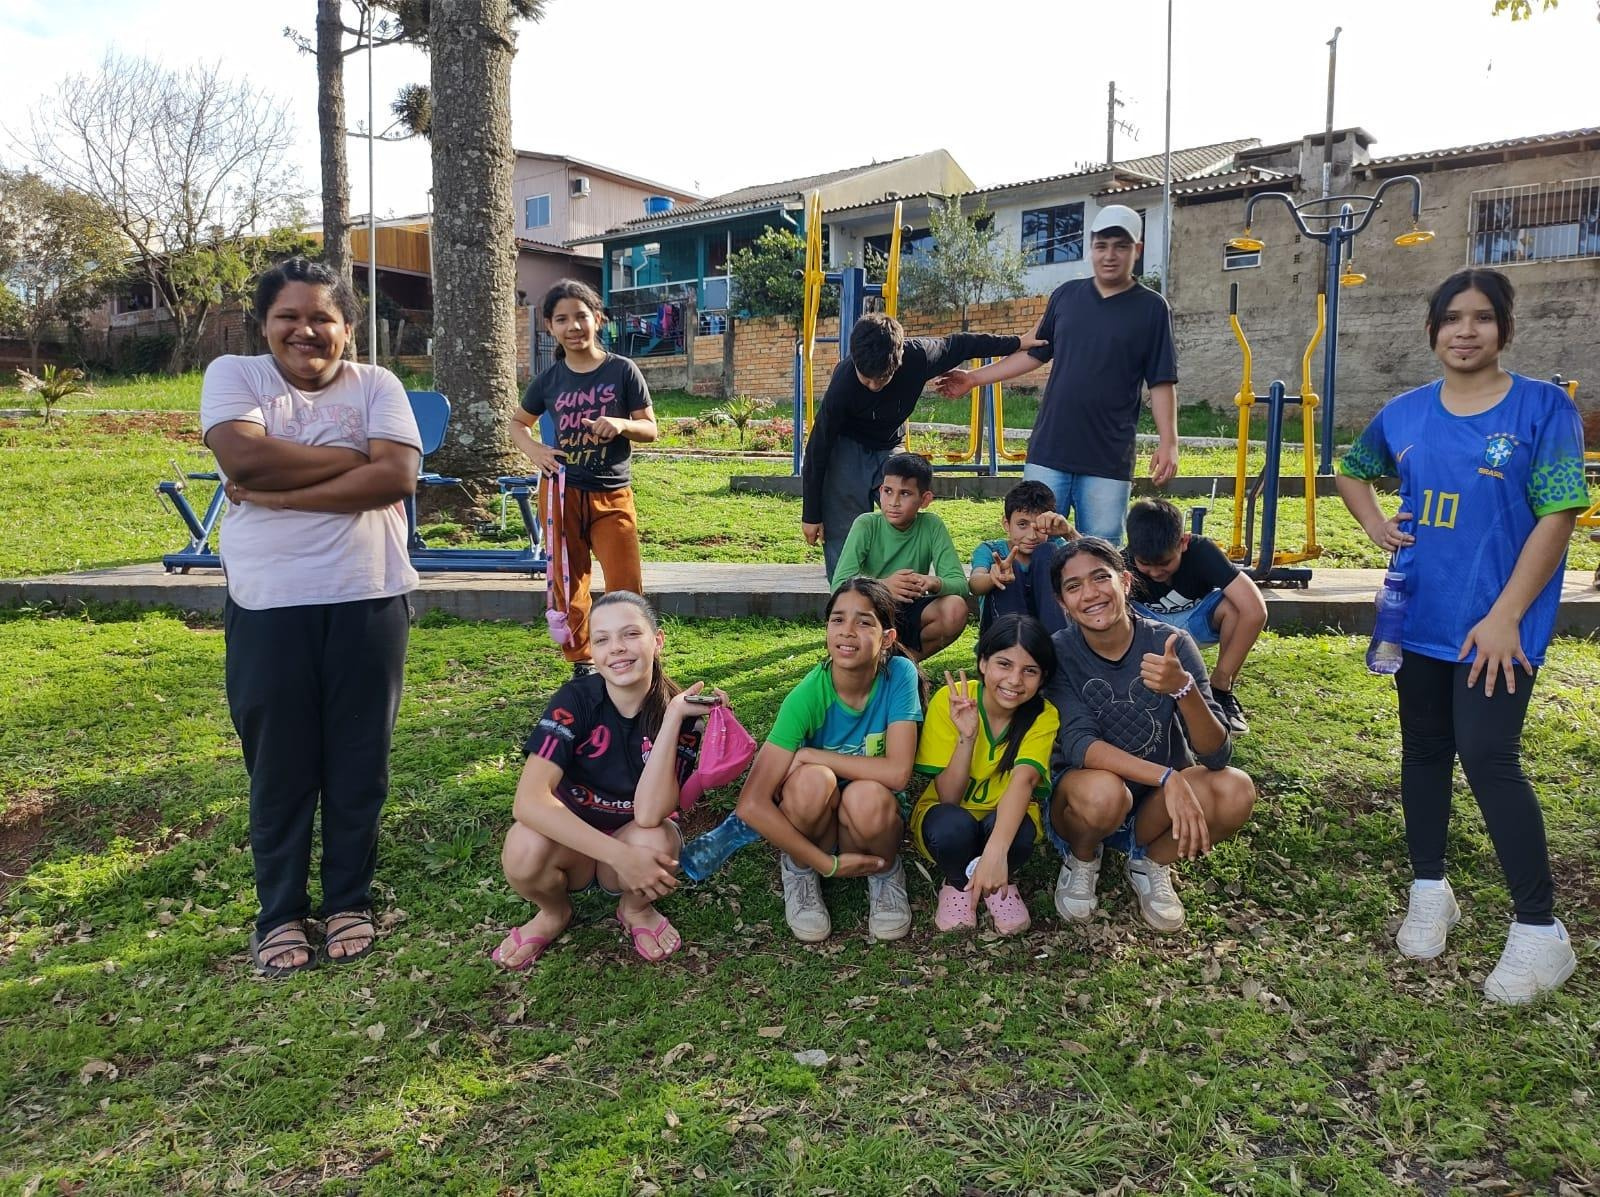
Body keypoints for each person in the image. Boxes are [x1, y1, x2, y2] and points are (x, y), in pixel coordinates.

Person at [1336, 268, 1586, 1005]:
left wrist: (1507, 614)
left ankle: (1540, 930)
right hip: (1419, 616)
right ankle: (1429, 889)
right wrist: (1375, 524)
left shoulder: (1543, 409)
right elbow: (1353, 471)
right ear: (1433, 330)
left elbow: (1559, 515)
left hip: (1499, 625)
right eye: (1451, 318)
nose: (1465, 331)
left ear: (1505, 327)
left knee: (1487, 754)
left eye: (1481, 317)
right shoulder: (1405, 413)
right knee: (1423, 748)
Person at [201, 256, 423, 977]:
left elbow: (397, 476)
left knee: (360, 761)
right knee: (280, 765)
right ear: (265, 325)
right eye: (288, 317)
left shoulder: (377, 384)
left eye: (322, 317)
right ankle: (280, 913)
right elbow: (242, 457)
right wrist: (353, 457)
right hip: (270, 604)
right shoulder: (236, 377)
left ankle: (349, 899)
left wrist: (282, 489)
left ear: (347, 327)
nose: (306, 330)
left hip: (369, 596)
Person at [1043, 537, 1257, 932]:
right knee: (1104, 793)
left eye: (1100, 578)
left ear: (1125, 582)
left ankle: (1149, 862)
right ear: (1062, 603)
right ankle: (1083, 857)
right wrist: (1167, 776)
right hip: (1089, 799)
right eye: (1074, 586)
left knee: (1235, 790)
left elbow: (1216, 754)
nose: (1090, 594)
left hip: (1156, 808)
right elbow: (1080, 744)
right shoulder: (1058, 652)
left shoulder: (1170, 643)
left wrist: (1184, 689)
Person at [934, 205, 1179, 545]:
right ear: (1090, 247)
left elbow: (1161, 380)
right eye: (1101, 245)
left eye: (1120, 246)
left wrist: (1169, 442)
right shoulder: (1066, 296)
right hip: (1050, 451)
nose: (1109, 255)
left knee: (1101, 552)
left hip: (1108, 458)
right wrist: (974, 378)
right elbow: (1033, 351)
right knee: (1034, 545)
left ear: (1136, 250)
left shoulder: (1151, 308)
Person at [493, 591, 707, 968]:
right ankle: (554, 912)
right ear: (592, 651)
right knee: (523, 846)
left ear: (657, 641)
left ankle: (635, 909)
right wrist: (619, 856)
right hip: (571, 841)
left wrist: (673, 719)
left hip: (633, 836)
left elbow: (650, 813)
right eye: (603, 639)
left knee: (659, 839)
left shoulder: (683, 713)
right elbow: (528, 801)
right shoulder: (575, 700)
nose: (617, 648)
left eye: (631, 634)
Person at [732, 578, 922, 943]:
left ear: (887, 638)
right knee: (811, 781)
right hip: (818, 826)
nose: (847, 631)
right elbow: (751, 804)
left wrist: (809, 754)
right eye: (837, 619)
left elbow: (898, 773)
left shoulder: (900, 674)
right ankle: (801, 868)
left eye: (864, 622)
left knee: (865, 794)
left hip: (868, 818)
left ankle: (884, 871)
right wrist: (825, 863)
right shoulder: (808, 695)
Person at [800, 312, 1029, 578]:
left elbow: (962, 344)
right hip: (847, 447)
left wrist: (1018, 342)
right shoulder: (844, 383)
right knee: (846, 528)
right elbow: (818, 447)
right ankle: (846, 596)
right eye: (866, 378)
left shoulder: (918, 356)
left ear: (898, 362)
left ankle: (904, 588)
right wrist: (811, 514)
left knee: (906, 508)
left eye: (881, 379)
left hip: (889, 446)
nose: (873, 386)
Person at [512, 279, 658, 678]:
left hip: (612, 495)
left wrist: (621, 424)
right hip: (562, 492)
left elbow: (650, 428)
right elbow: (517, 424)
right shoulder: (549, 380)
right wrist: (535, 451)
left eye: (581, 316)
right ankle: (582, 661)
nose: (573, 326)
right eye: (562, 319)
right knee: (569, 579)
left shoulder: (622, 370)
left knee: (625, 583)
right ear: (549, 327)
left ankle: (637, 657)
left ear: (598, 318)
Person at [912, 615, 1060, 936]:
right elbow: (949, 798)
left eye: (1030, 670)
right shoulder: (951, 701)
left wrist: (995, 852)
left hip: (1003, 822)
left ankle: (999, 885)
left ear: (1042, 678)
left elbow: (1024, 780)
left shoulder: (1043, 715)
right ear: (982, 662)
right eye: (1004, 664)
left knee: (1019, 831)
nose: (1015, 680)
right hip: (950, 818)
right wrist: (966, 737)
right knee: (951, 827)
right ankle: (957, 883)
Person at [1123, 497, 1267, 734]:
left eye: (1165, 562)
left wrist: (1221, 676)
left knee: (1235, 606)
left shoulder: (1203, 551)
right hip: (1151, 628)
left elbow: (1255, 610)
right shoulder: (1124, 561)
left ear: (1184, 542)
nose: (1155, 572)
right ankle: (1139, 695)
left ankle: (1220, 692)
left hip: (1198, 621)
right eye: (1145, 563)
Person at [830, 452, 970, 662]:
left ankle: (902, 664)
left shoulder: (931, 525)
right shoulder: (866, 524)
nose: (894, 502)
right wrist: (883, 587)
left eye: (905, 493)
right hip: (871, 608)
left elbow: (960, 584)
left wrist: (932, 582)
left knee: (955, 608)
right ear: (880, 491)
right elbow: (839, 586)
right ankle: (872, 661)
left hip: (910, 608)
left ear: (925, 499)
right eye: (888, 491)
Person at [969, 479, 1078, 635]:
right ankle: (1013, 645)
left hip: (1050, 635)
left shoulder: (1056, 547)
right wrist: (994, 577)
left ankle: (1057, 644)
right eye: (1022, 524)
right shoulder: (991, 550)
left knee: (1047, 551)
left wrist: (1069, 533)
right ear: (1006, 524)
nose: (1031, 536)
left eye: (1039, 527)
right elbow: (974, 584)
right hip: (1003, 635)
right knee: (1010, 566)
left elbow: (1097, 563)